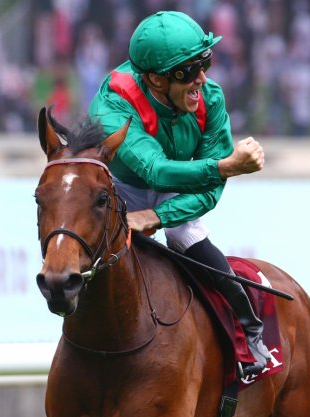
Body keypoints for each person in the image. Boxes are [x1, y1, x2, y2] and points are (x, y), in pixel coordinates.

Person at [88, 11, 271, 376]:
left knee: (185, 234)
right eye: (188, 71)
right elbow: (154, 169)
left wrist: (159, 216)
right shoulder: (114, 102)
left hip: (175, 187)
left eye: (204, 63)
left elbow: (208, 191)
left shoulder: (210, 99)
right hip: (120, 187)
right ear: (155, 79)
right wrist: (226, 167)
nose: (201, 78)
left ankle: (250, 330)